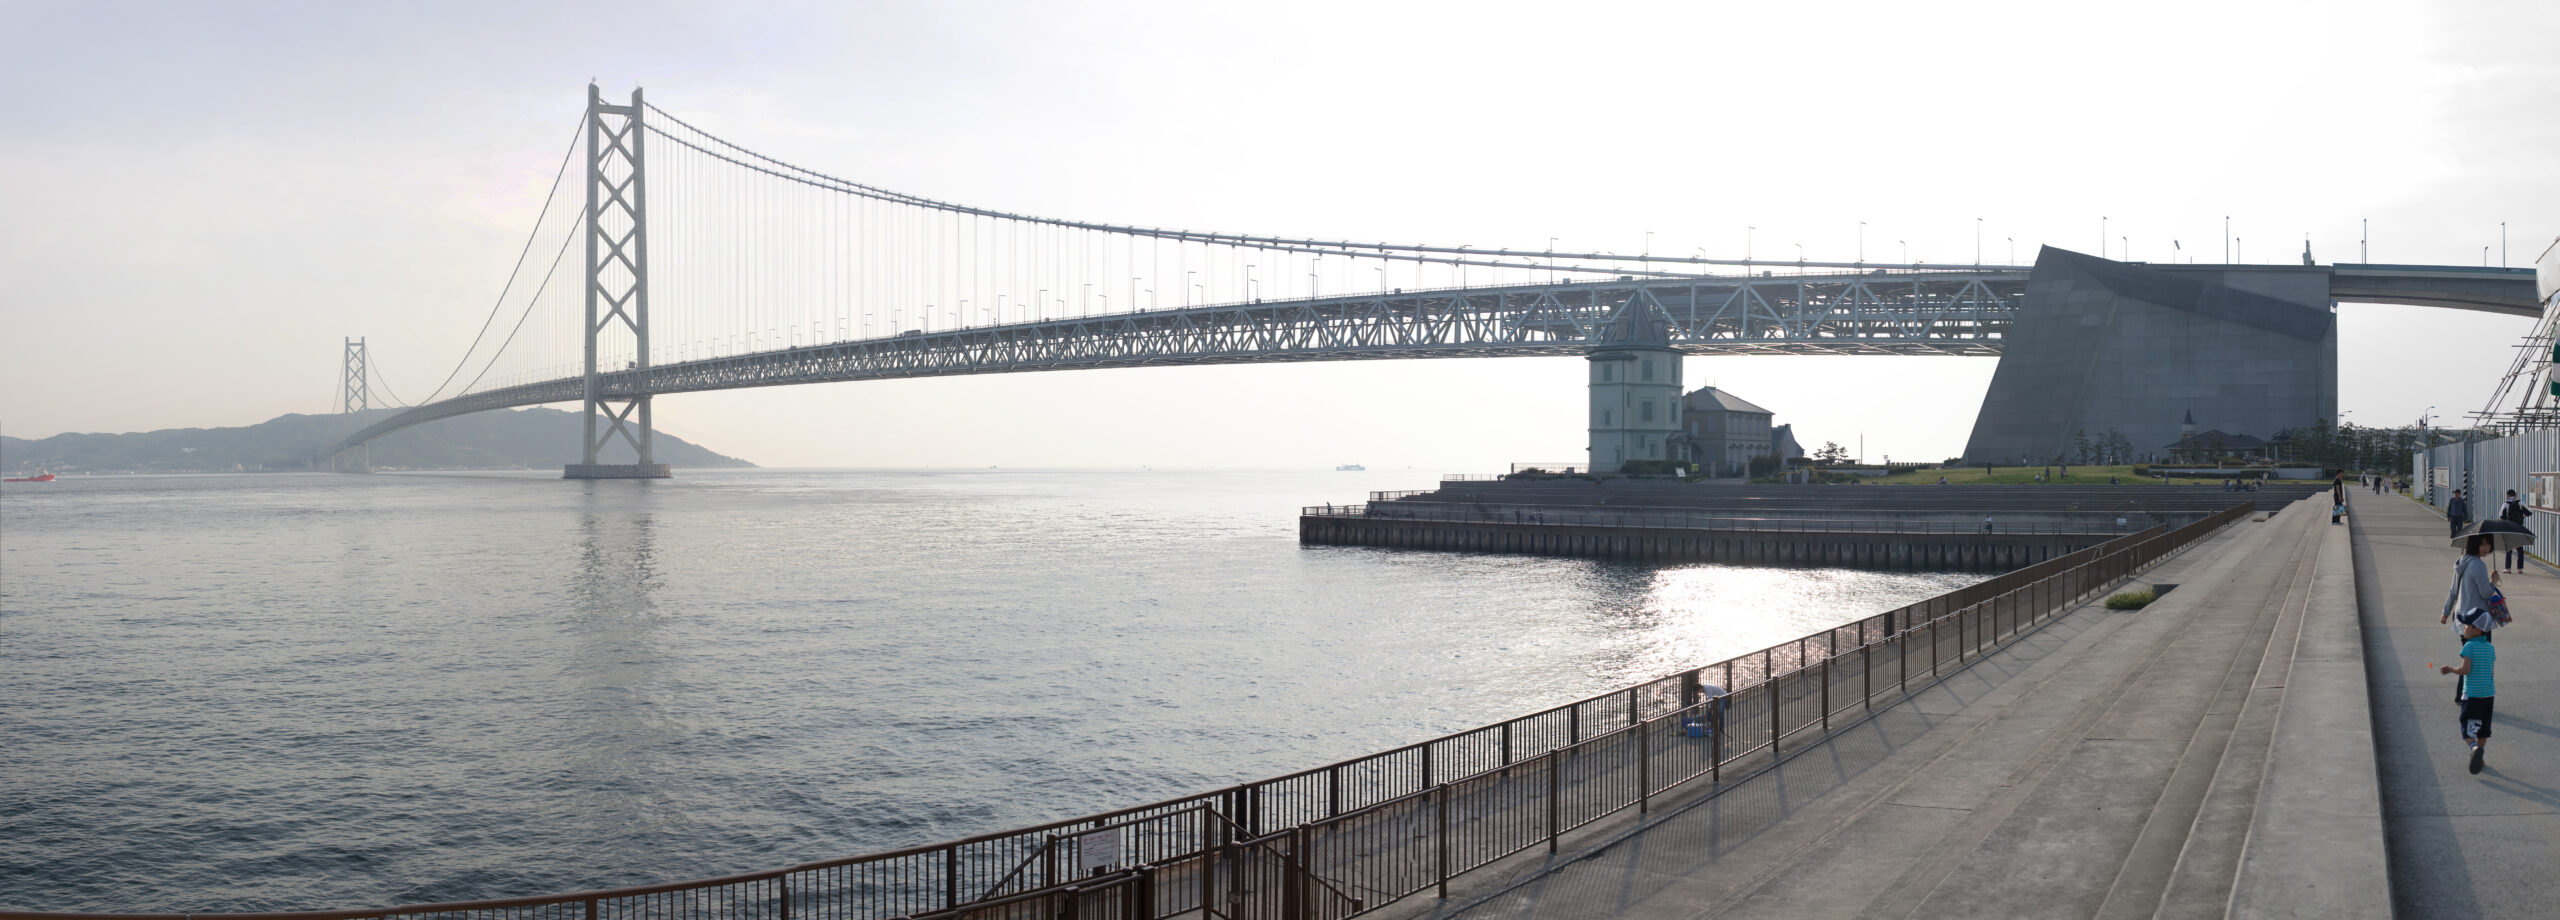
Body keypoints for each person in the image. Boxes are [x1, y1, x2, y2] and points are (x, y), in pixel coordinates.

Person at [2440, 609, 2498, 774]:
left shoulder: (2469, 646)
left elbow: (2465, 670)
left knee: (2467, 728)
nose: (2464, 628)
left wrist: (2450, 669)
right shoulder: (2490, 648)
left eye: (2466, 625)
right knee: (2483, 729)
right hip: (2488, 695)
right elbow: (2491, 672)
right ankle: (2480, 753)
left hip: (2472, 695)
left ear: (2476, 629)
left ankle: (2474, 748)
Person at [2500, 489, 2535, 572]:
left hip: (2509, 528)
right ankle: (2520, 568)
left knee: (2509, 548)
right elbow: (2529, 513)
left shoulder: (2505, 504)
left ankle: (2508, 568)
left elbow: (2501, 517)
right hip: (2519, 528)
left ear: (2507, 496)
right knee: (2520, 549)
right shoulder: (2520, 503)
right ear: (2515, 495)